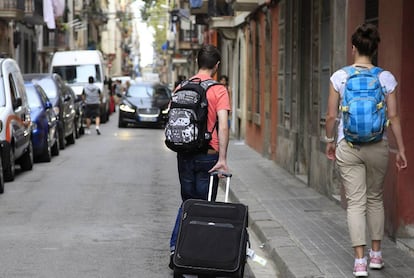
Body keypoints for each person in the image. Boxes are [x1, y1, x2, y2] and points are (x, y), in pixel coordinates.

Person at [325, 23, 407, 277]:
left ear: (353, 49)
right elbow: (393, 116)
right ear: (374, 50)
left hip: (347, 145)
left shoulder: (340, 77)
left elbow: (330, 115)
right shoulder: (385, 78)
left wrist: (329, 139)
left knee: (355, 203)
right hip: (378, 145)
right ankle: (376, 255)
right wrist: (401, 149)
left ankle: (359, 262)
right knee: (375, 199)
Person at [168, 44, 231, 269]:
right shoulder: (219, 90)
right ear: (217, 65)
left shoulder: (181, 87)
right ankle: (197, 255)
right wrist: (222, 158)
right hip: (208, 155)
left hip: (184, 154)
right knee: (205, 206)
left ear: (197, 61)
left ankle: (177, 249)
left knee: (188, 202)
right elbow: (223, 126)